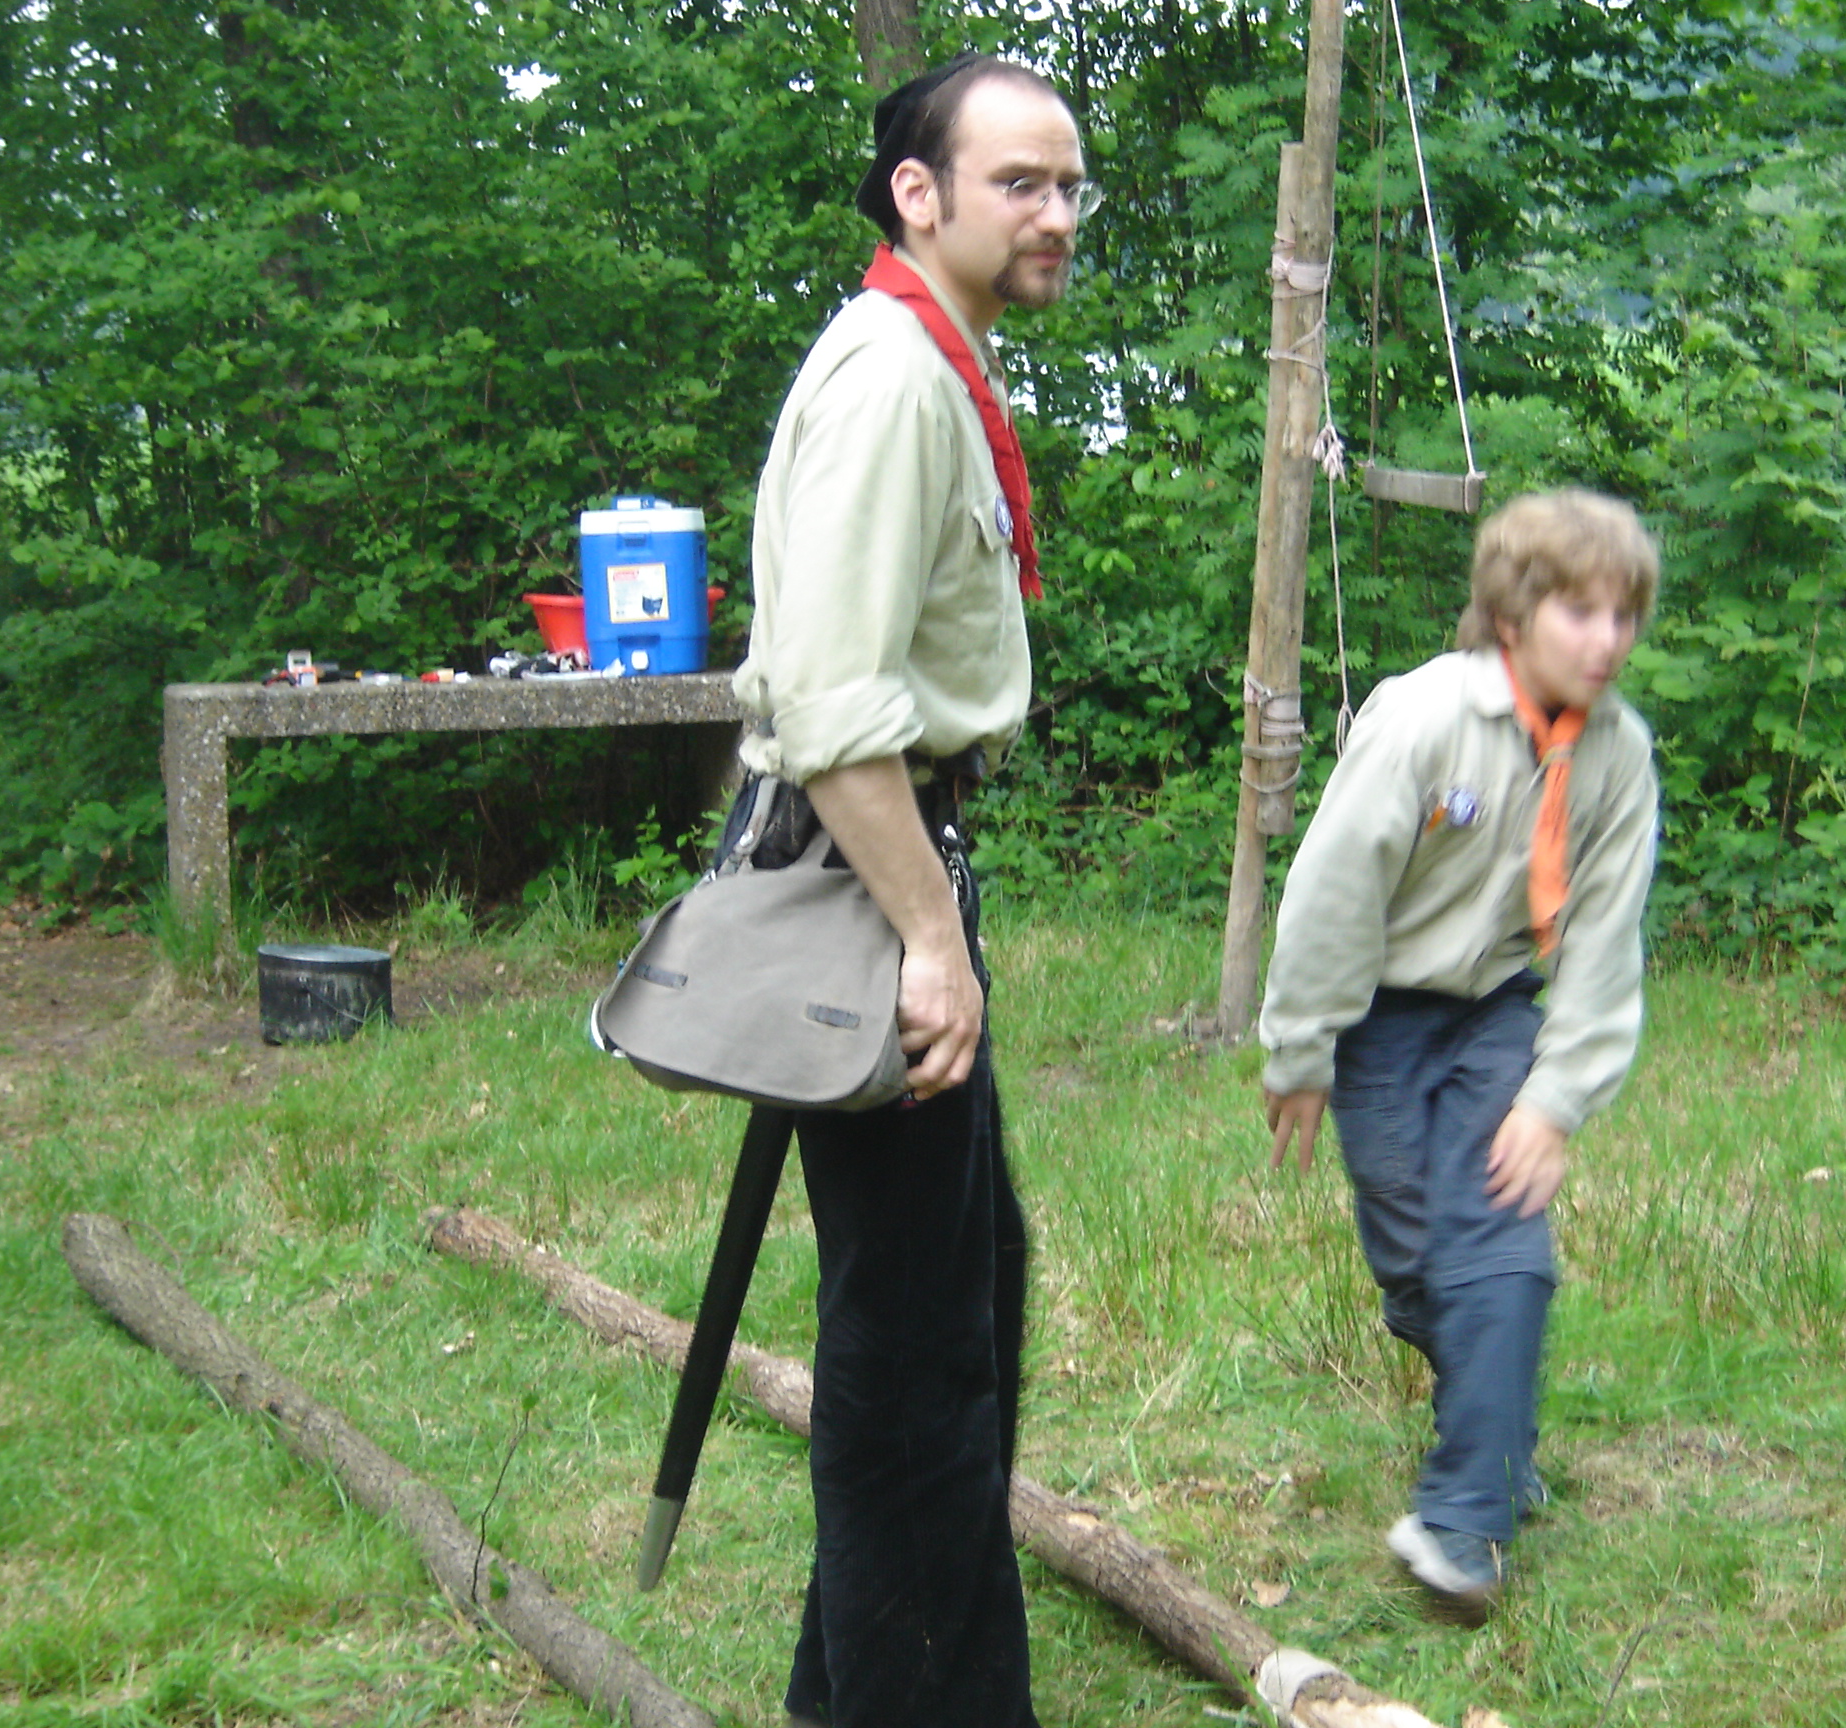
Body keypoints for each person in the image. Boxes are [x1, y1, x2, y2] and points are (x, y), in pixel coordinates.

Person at [729, 51, 1094, 1728]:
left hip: (895, 858)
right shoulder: (891, 378)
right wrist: (929, 941)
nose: (1055, 212)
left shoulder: (933, 357)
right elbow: (830, 708)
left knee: (957, 1290)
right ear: (918, 193)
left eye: (1068, 183)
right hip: (864, 872)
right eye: (1018, 181)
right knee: (913, 1347)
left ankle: (851, 1692)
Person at [1257, 489, 1661, 1624]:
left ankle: (1462, 1523)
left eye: (1624, 616)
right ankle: (1496, 1427)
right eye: (1581, 612)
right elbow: (1334, 891)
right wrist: (1302, 1048)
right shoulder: (1424, 717)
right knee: (1417, 1264)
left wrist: (1556, 1098)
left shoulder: (1619, 756)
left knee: (1501, 1242)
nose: (1607, 640)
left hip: (1495, 1011)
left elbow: (1605, 942)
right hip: (1378, 1018)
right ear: (1515, 613)